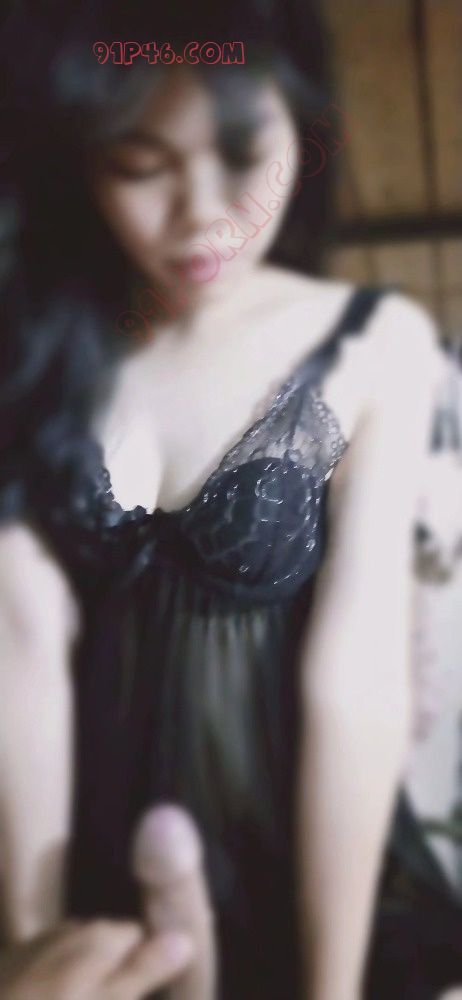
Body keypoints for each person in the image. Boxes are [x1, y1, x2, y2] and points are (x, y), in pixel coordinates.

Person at [1, 1, 461, 997]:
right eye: (140, 165)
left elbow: (354, 680)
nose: (201, 212)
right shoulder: (38, 351)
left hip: (304, 851)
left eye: (244, 155)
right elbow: (19, 658)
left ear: (304, 124)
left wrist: (330, 988)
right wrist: (33, 948)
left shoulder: (372, 344)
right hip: (77, 856)